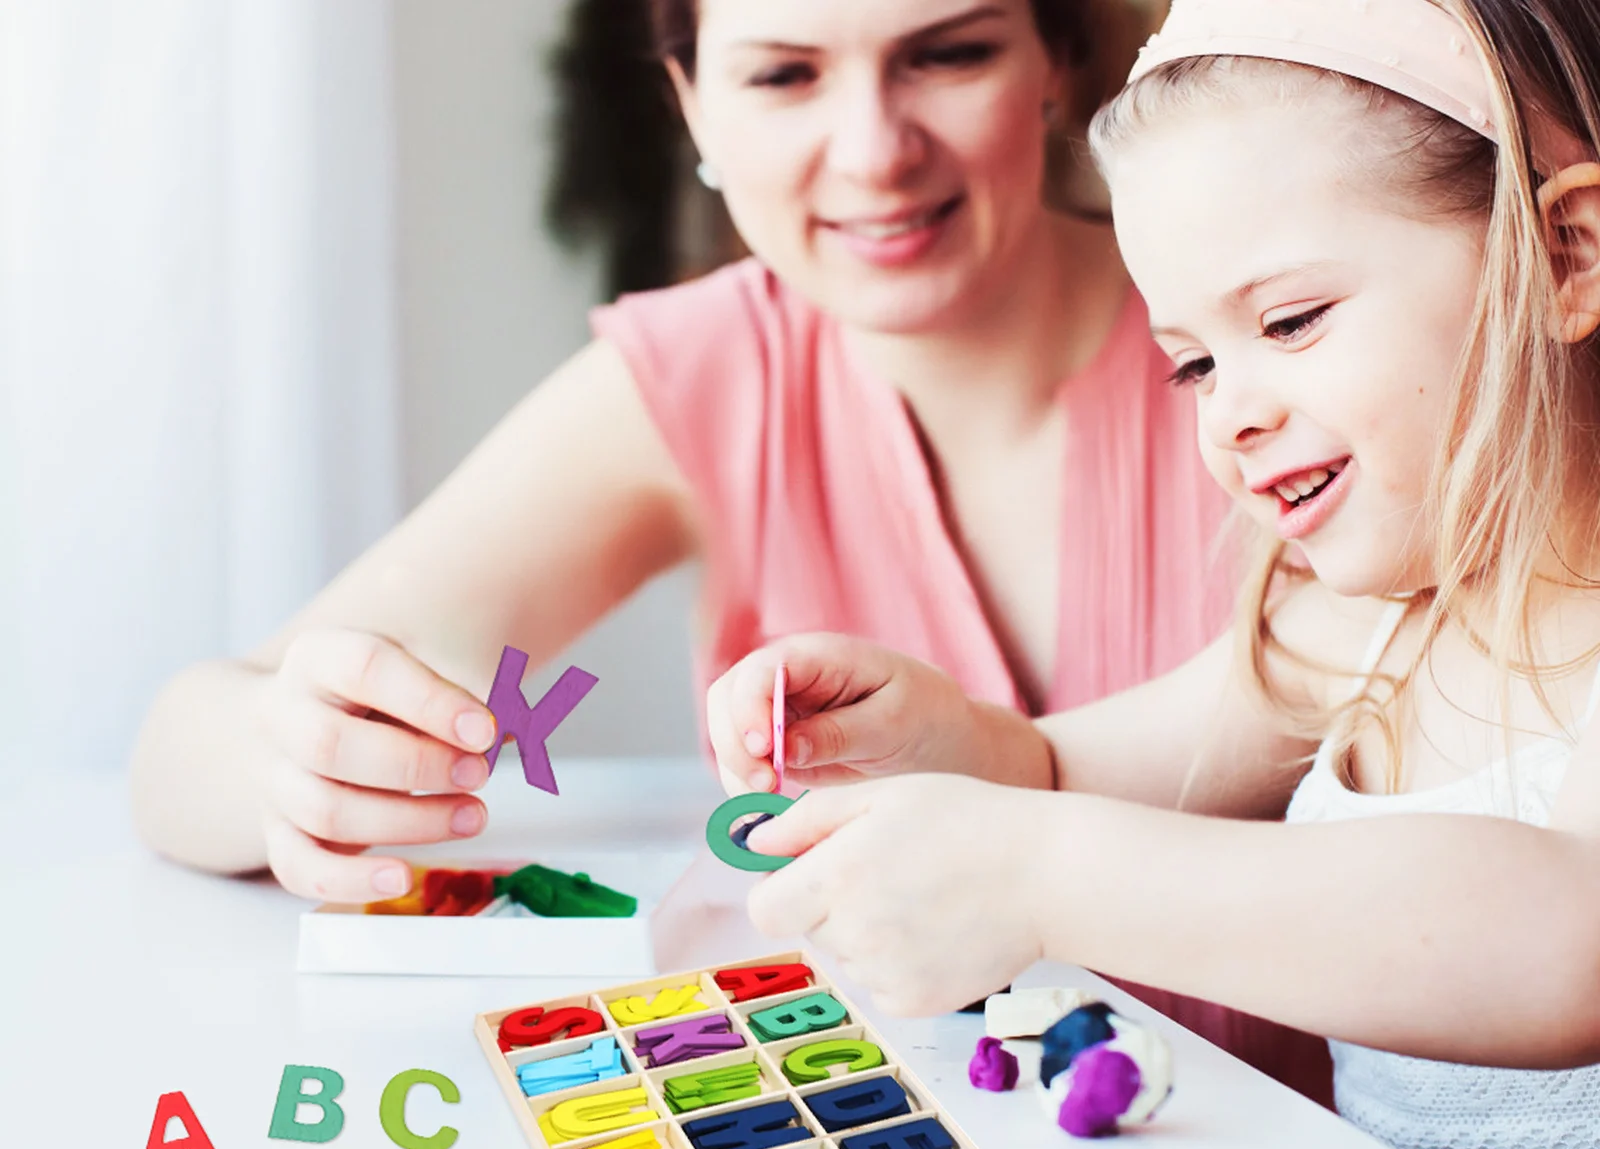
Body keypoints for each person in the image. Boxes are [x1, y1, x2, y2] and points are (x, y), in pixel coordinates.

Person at [131, 1, 1325, 1092]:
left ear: (1054, 60)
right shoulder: (697, 376)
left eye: (948, 55)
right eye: (785, 75)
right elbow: (184, 745)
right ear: (691, 101)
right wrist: (284, 757)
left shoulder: (1285, 343)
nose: (873, 151)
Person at [707, 0, 1600, 1149]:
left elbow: (1564, 938)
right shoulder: (1364, 631)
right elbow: (1061, 769)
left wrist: (1038, 875)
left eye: (1287, 322)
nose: (1227, 416)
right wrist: (935, 737)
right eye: (1193, 364)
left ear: (1565, 254)